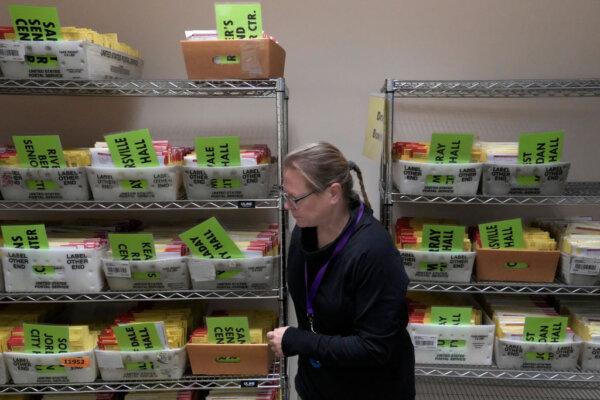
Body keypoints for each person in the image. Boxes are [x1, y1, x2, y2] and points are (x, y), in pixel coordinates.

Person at [267, 142, 415, 400]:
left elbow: (374, 348)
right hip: (318, 385)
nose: (287, 206)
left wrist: (298, 341)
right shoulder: (303, 231)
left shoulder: (373, 252)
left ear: (333, 193)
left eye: (295, 198)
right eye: (284, 193)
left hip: (371, 390)